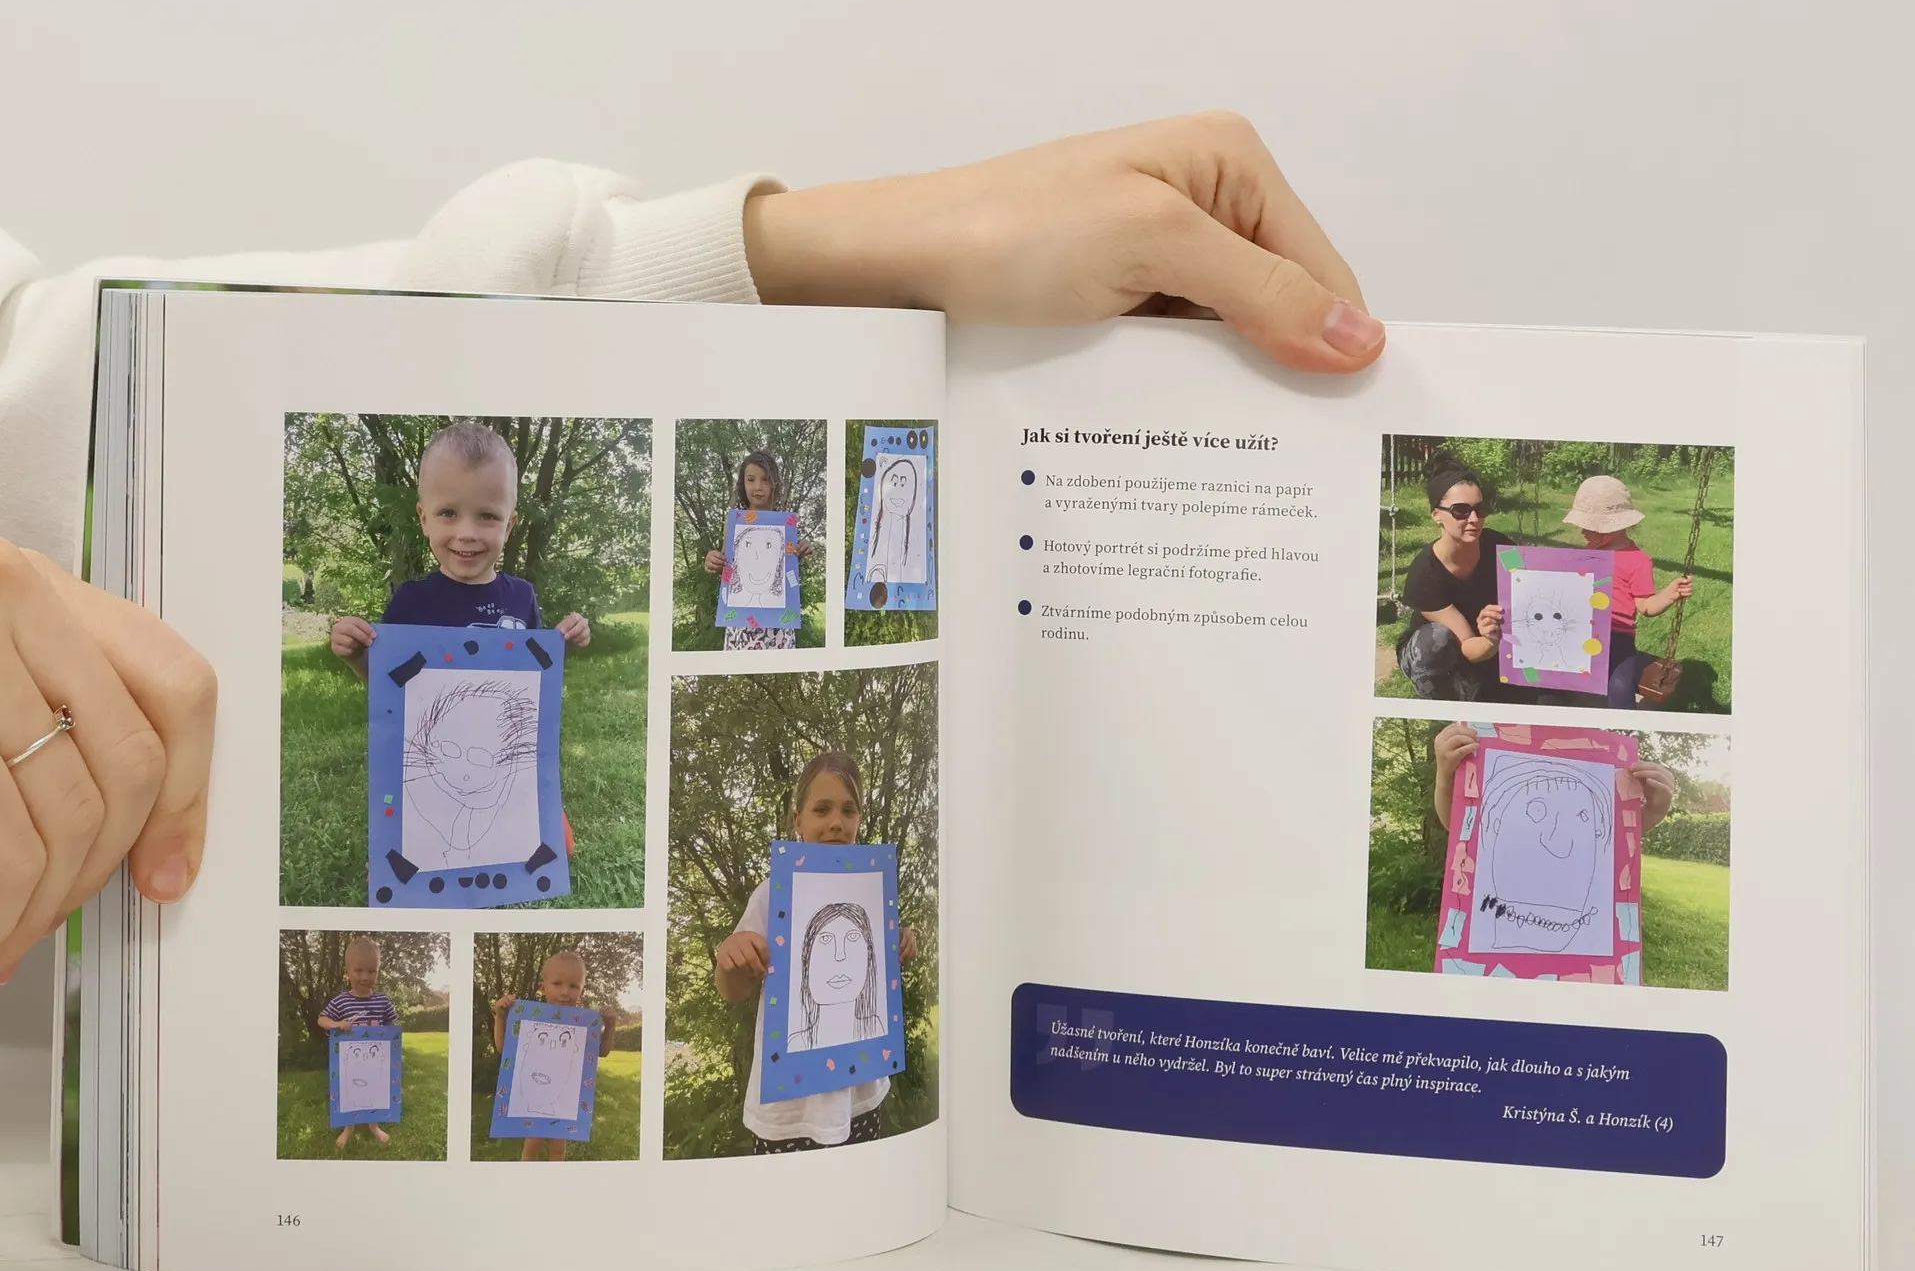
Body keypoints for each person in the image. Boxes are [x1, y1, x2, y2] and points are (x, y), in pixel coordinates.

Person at [0, 113, 1383, 977]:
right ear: (423, 526)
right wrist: (359, 644)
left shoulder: (525, 591)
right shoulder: (423, 593)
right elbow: (399, 687)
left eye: (488, 518)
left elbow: (39, 370)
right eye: (451, 518)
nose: (470, 539)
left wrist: (794, 254)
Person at [711, 750, 920, 1153]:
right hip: (788, 1116)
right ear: (798, 821)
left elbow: (881, 964)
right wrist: (731, 956)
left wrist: (904, 939)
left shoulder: (872, 890)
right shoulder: (773, 893)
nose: (836, 822)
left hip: (862, 1099)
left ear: (860, 818)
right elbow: (732, 990)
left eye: (848, 809)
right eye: (822, 809)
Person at [329, 422, 592, 677]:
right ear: (424, 520)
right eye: (448, 513)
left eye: (487, 516)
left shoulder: (522, 598)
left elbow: (534, 676)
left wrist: (562, 644)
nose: (467, 534)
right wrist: (356, 656)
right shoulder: (410, 602)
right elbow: (390, 683)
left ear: (509, 526)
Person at [1562, 474, 1694, 708]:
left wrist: (1669, 595)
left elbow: (1646, 606)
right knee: (1554, 677)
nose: (1582, 531)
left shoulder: (1638, 560)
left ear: (1608, 528)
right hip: (1581, 629)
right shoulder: (1588, 552)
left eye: (1587, 526)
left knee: (1620, 686)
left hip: (1618, 638)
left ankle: (1623, 728)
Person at [1395, 459, 1513, 701]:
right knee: (1436, 639)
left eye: (1480, 509)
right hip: (1443, 648)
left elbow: (1531, 582)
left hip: (1487, 640)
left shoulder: (1500, 546)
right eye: (1461, 510)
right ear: (1436, 515)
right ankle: (1444, 704)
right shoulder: (1424, 574)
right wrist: (1490, 641)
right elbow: (1469, 645)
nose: (1474, 519)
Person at [1431, 722, 1675, 835]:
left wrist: (1653, 812)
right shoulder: (1487, 731)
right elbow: (1458, 826)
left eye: (1581, 816)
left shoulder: (1602, 748)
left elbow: (1614, 840)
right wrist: (1445, 777)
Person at [491, 947, 619, 1161]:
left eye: (573, 986)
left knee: (558, 1149)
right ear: (543, 988)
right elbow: (504, 1048)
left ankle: (556, 1180)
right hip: (532, 1095)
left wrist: (610, 1026)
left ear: (582, 990)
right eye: (557, 983)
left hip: (562, 1102)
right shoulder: (528, 1019)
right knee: (531, 1145)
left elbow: (603, 1052)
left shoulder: (584, 1025)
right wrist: (501, 1017)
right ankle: (526, 1178)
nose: (565, 992)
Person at [700, 448, 818, 651]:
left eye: (765, 479)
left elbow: (787, 570)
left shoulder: (786, 526)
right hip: (740, 628)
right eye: (751, 479)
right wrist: (713, 562)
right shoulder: (735, 524)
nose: (758, 487)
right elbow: (728, 570)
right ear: (742, 484)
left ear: (774, 484)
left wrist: (803, 549)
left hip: (778, 629)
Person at [317, 935, 400, 1152]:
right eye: (359, 970)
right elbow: (321, 1019)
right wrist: (336, 1024)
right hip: (350, 1062)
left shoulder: (383, 1001)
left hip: (375, 1062)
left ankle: (374, 1126)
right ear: (347, 972)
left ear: (378, 971)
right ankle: (348, 1128)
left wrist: (394, 1052)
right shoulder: (341, 1001)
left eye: (372, 971)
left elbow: (391, 1027)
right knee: (350, 1093)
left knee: (374, 1090)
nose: (365, 977)